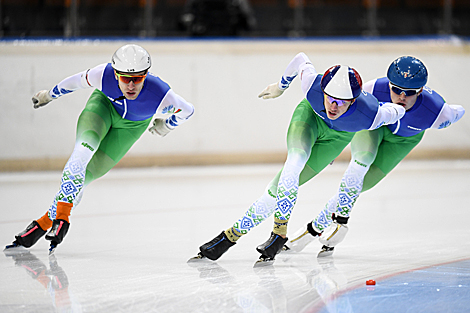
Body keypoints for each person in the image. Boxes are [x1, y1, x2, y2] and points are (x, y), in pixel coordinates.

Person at [189, 52, 405, 265]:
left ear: (353, 101)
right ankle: (279, 232)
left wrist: (400, 108)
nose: (333, 106)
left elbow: (398, 111)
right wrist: (280, 87)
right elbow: (300, 59)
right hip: (309, 118)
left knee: (275, 191)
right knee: (294, 162)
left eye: (341, 102)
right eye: (329, 98)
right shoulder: (313, 85)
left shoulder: (372, 115)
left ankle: (230, 236)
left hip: (336, 139)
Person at [5, 44, 195, 254]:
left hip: (131, 128)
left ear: (146, 74)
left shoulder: (161, 95)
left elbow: (188, 110)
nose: (131, 85)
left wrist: (167, 125)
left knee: (83, 178)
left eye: (138, 79)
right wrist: (49, 95)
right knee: (81, 154)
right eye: (125, 78)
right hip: (102, 108)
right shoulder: (102, 74)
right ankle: (62, 219)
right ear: (115, 74)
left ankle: (41, 224)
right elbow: (75, 82)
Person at [283, 56, 465, 257]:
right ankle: (340, 222)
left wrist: (455, 110)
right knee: (362, 161)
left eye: (409, 93)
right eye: (396, 89)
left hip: (403, 141)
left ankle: (313, 229)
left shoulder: (439, 112)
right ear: (389, 84)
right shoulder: (373, 88)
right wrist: (333, 147)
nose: (401, 97)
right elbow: (346, 114)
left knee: (364, 184)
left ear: (420, 90)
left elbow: (459, 111)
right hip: (375, 128)